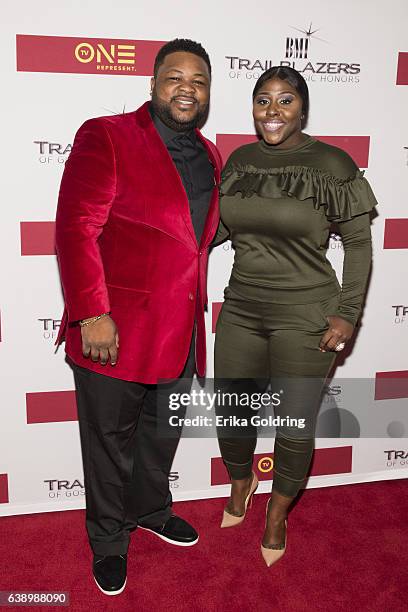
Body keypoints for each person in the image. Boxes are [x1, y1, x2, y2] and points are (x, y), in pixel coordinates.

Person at [55, 38, 221, 595]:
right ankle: (107, 539)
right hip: (115, 330)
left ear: (207, 94)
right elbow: (76, 229)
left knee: (160, 435)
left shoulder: (211, 155)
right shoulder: (107, 135)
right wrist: (91, 313)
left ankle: (150, 509)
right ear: (153, 84)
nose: (186, 89)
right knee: (108, 442)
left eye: (198, 82)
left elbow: (194, 242)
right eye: (175, 77)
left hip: (181, 332)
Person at [213, 66, 377, 566]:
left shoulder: (331, 163)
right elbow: (217, 230)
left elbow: (358, 245)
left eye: (285, 101)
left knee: (293, 422)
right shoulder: (240, 160)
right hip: (241, 306)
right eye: (263, 100)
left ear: (303, 108)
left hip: (307, 314)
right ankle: (242, 482)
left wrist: (348, 313)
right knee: (232, 409)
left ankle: (278, 513)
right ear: (253, 107)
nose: (273, 111)